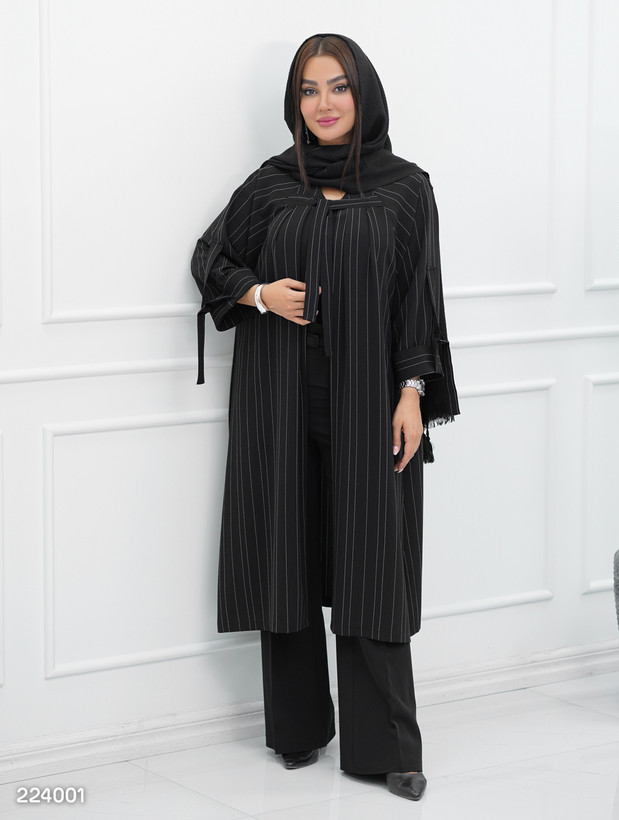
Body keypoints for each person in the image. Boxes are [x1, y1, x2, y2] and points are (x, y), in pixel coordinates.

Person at [191, 33, 459, 802]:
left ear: (363, 92)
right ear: (295, 103)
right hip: (278, 398)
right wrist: (258, 294)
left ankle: (388, 751)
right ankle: (298, 728)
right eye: (308, 90)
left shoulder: (405, 189)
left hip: (370, 403)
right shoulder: (273, 185)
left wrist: (412, 393)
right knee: (287, 553)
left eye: (337, 86)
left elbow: (418, 298)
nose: (324, 103)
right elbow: (211, 257)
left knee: (373, 560)